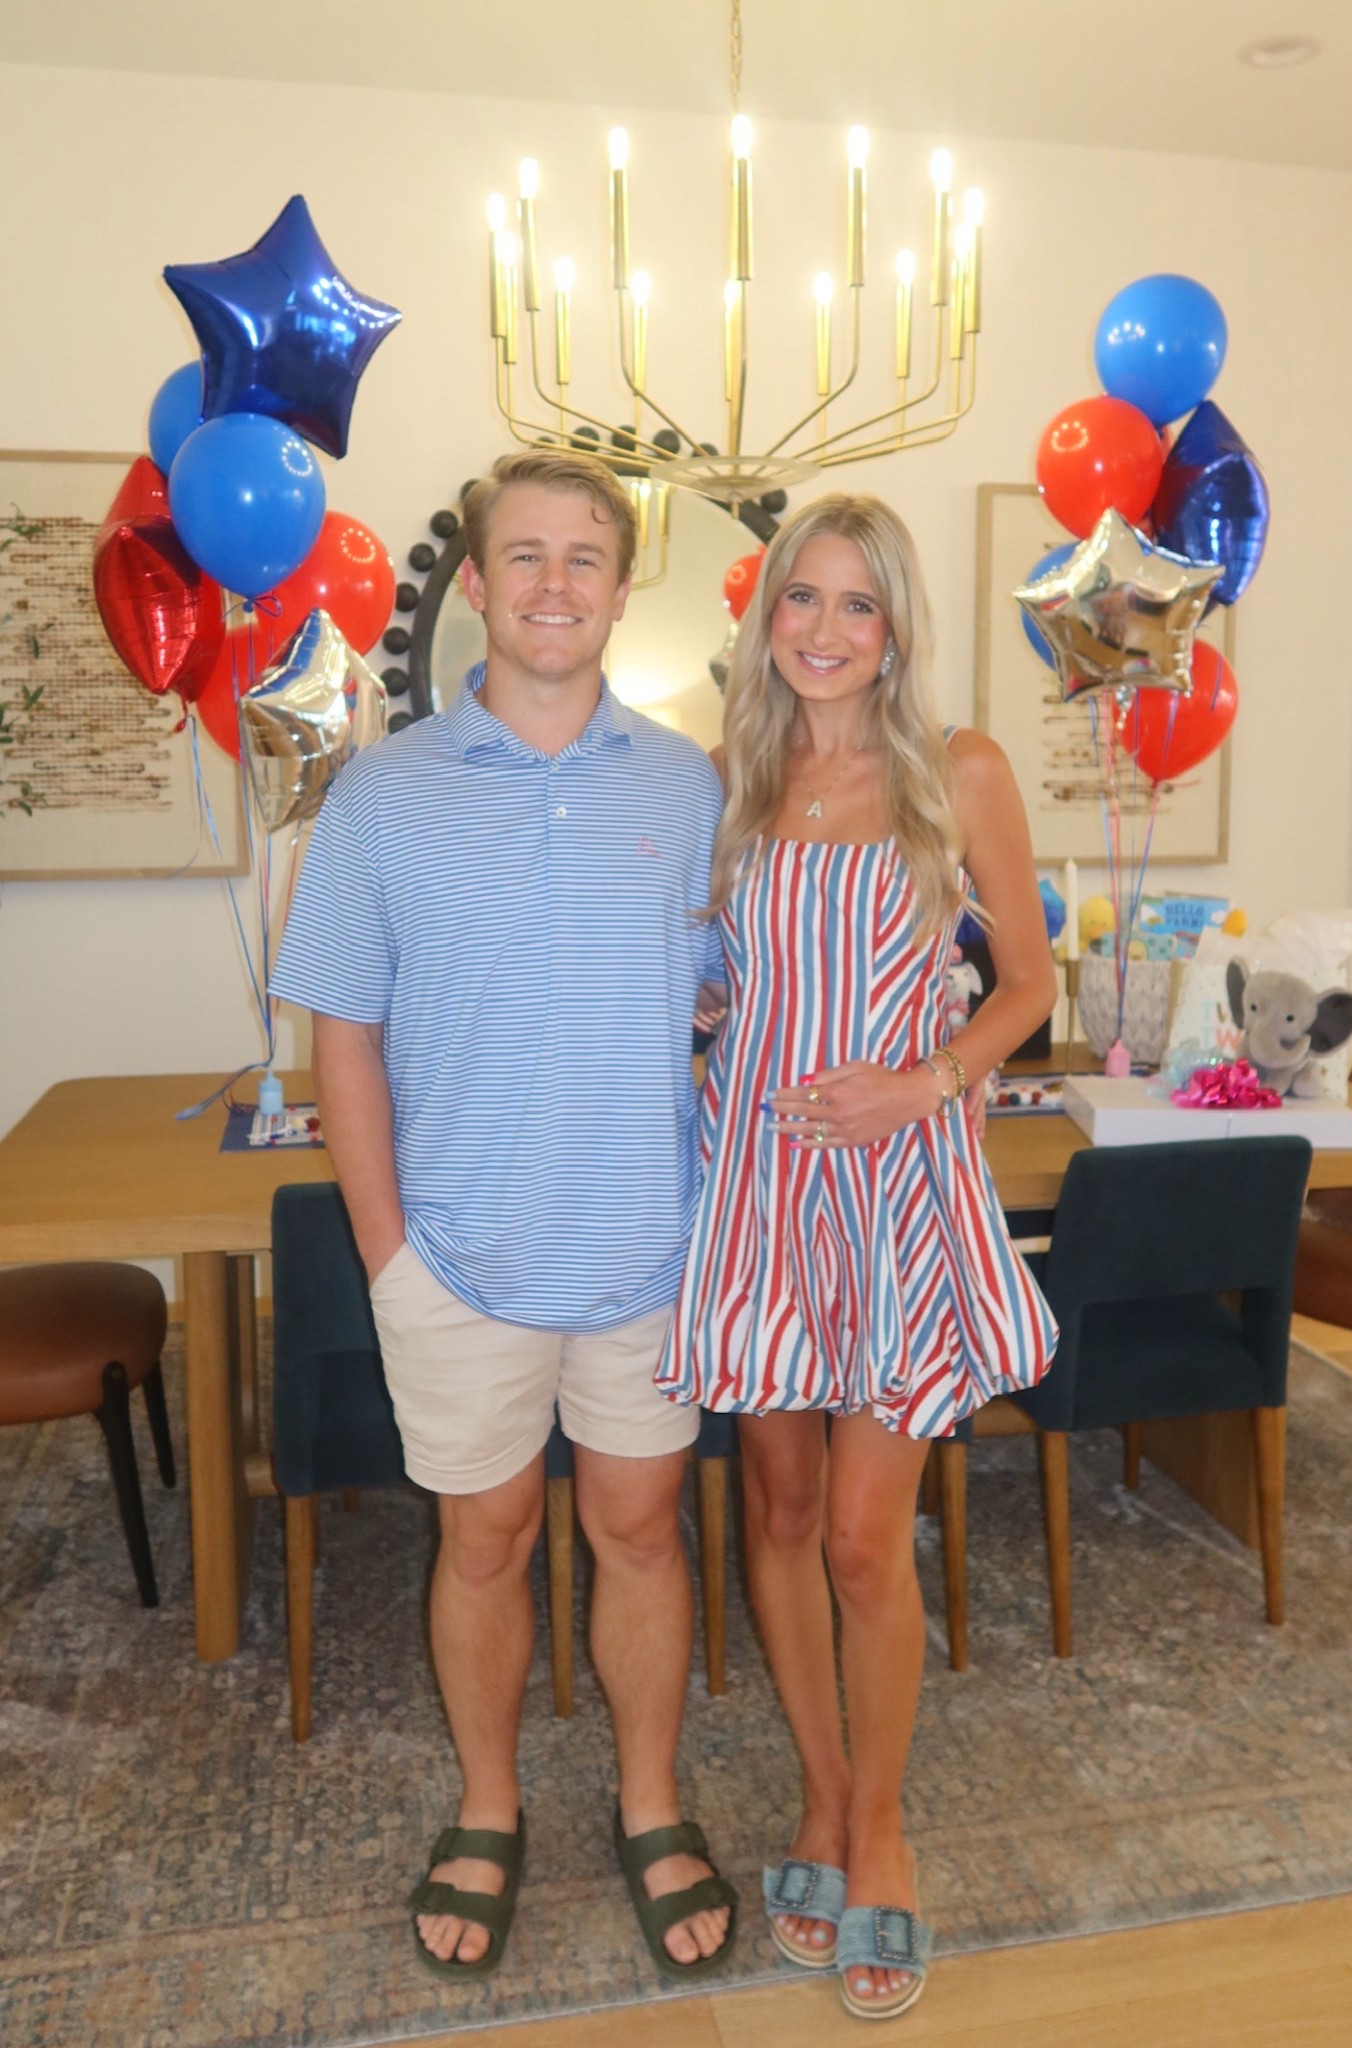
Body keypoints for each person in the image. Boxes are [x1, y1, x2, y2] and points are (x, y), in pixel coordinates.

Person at [270, 449, 737, 1984]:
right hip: (456, 1258)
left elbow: (742, 997)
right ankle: (487, 1802)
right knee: (485, 1538)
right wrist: (389, 1252)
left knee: (640, 1532)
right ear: (475, 585)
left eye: (583, 559)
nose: (552, 584)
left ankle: (652, 1799)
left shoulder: (689, 787)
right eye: (521, 557)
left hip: (645, 1247)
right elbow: (340, 1029)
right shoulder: (383, 795)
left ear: (619, 587)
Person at [655, 492, 1059, 2022]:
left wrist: (922, 1080)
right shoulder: (728, 780)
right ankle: (819, 1796)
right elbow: (715, 976)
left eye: (856, 606)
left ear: (896, 629)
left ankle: (882, 1826)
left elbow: (1020, 985)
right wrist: (707, 1016)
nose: (823, 631)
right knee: (772, 1504)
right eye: (800, 602)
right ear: (766, 623)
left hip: (896, 1185)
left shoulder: (957, 772)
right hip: (757, 1190)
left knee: (859, 1540)